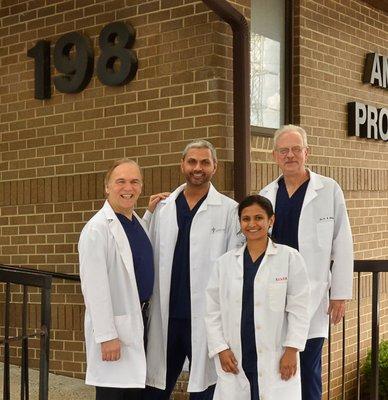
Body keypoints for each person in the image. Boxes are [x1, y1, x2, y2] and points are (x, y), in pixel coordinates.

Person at [260, 124, 354, 400]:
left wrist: (340, 294)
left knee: (308, 367)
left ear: (307, 153)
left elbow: (342, 243)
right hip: (275, 293)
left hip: (312, 296)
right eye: (284, 150)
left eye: (296, 149)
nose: (290, 155)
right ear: (275, 156)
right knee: (279, 367)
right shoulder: (266, 195)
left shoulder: (328, 190)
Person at [143, 139, 242, 400]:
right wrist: (148, 213)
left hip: (206, 318)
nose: (198, 168)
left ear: (215, 167)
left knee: (205, 391)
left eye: (204, 162)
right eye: (192, 161)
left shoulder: (230, 210)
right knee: (154, 390)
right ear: (182, 165)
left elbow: (235, 269)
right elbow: (144, 251)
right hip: (167, 317)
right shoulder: (163, 208)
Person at [205, 195, 310, 400]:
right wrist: (221, 348)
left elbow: (300, 308)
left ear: (271, 220)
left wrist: (291, 350)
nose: (252, 224)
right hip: (235, 353)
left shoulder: (289, 258)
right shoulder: (224, 264)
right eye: (246, 219)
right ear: (240, 222)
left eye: (259, 218)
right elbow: (212, 310)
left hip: (276, 354)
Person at [78, 159, 153, 400]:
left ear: (141, 187)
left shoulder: (138, 223)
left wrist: (151, 212)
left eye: (134, 182)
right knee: (112, 393)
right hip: (115, 332)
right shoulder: (97, 229)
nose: (127, 188)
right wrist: (107, 336)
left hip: (139, 320)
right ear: (107, 187)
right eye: (120, 181)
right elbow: (94, 287)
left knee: (132, 392)